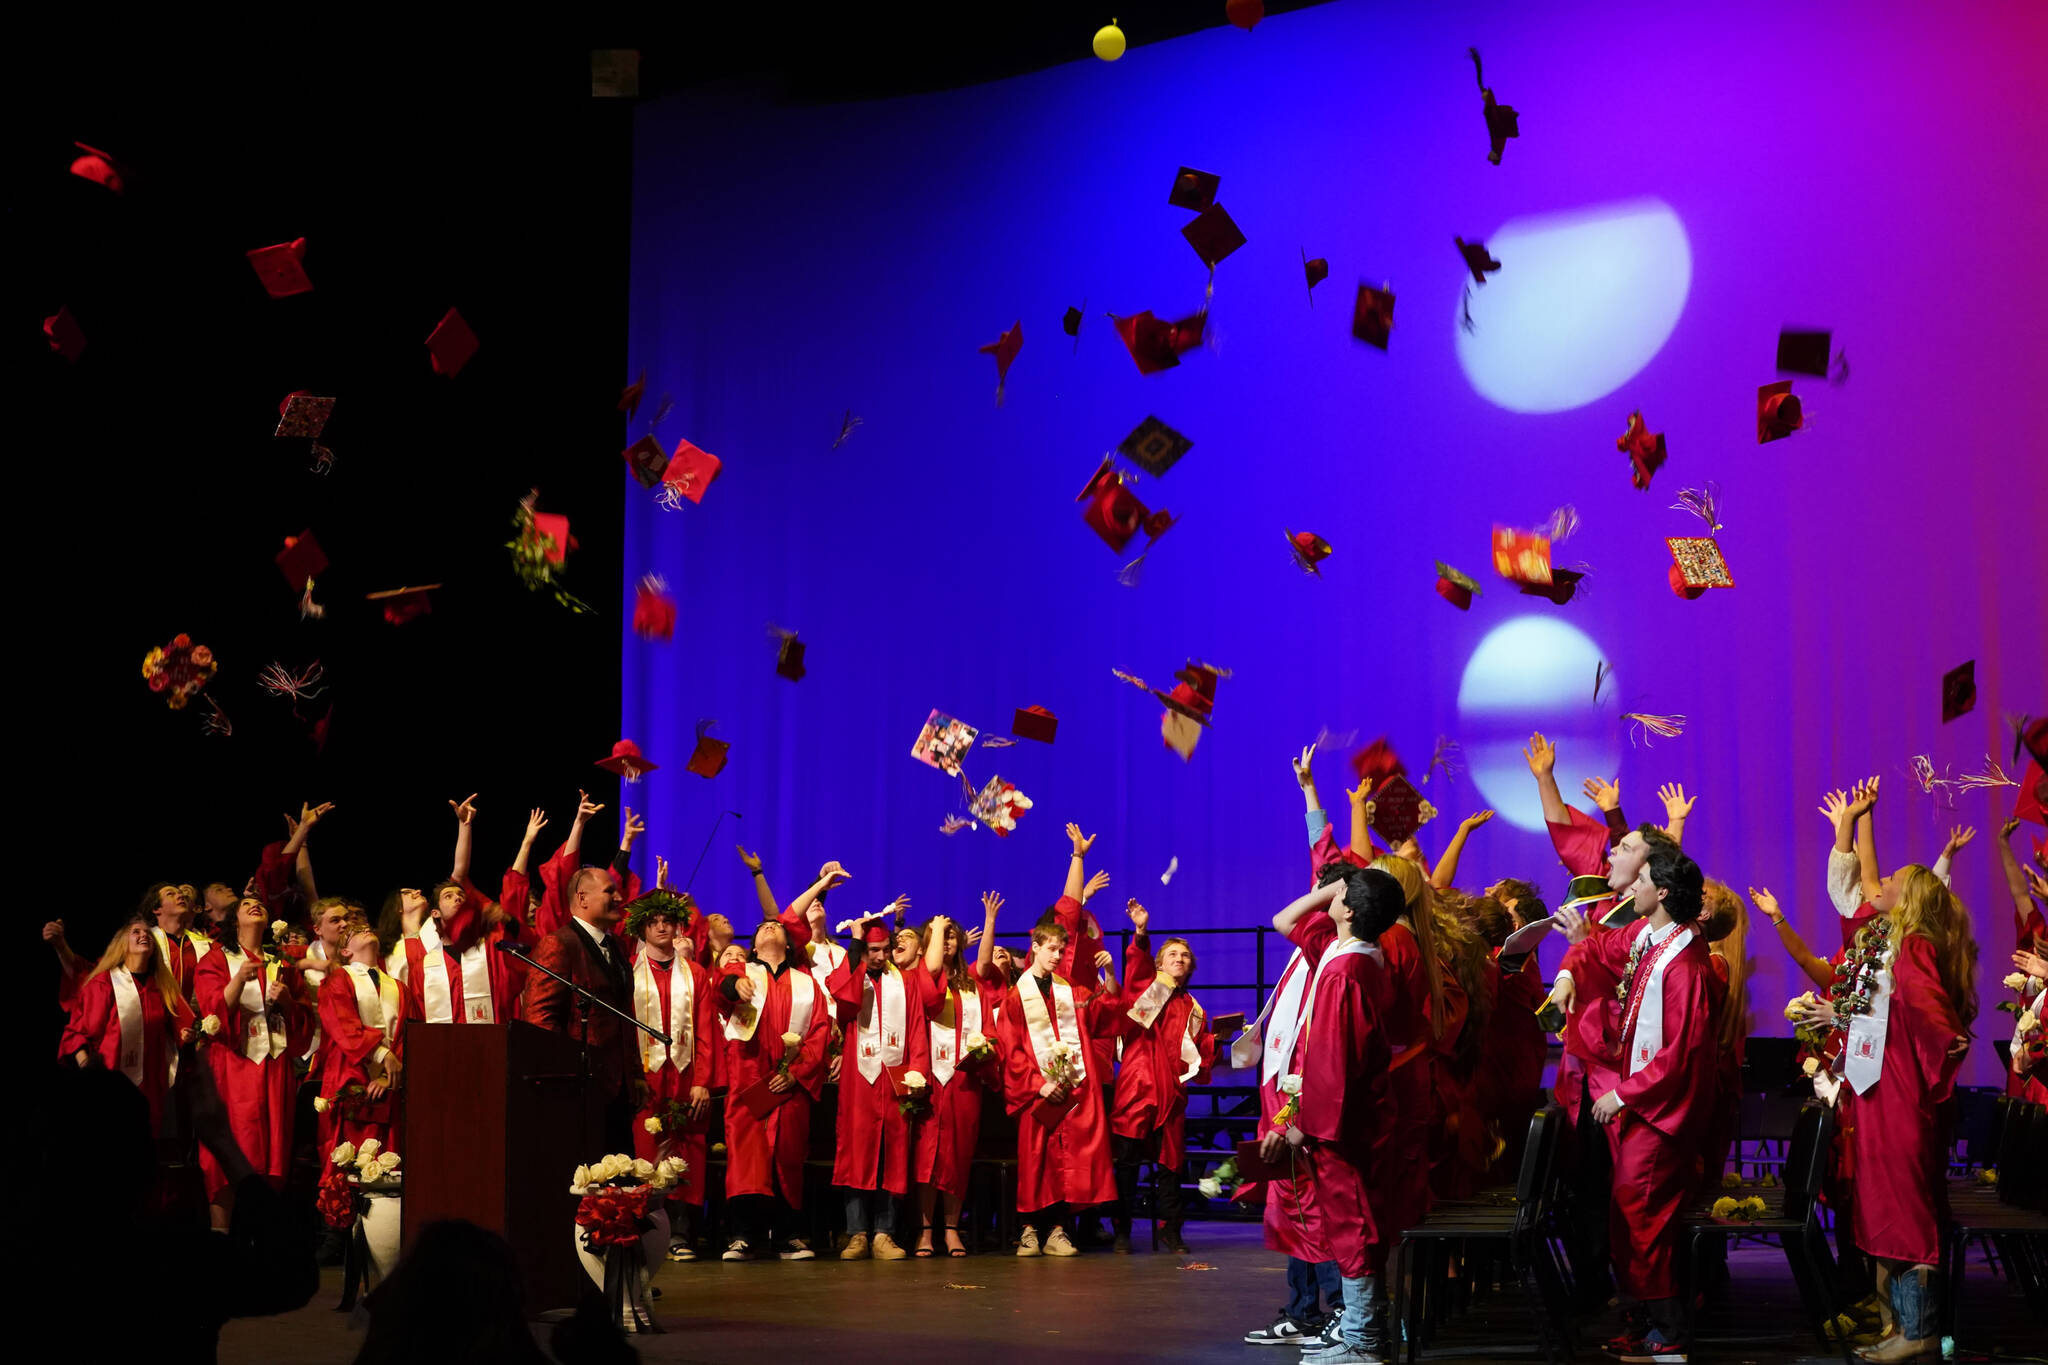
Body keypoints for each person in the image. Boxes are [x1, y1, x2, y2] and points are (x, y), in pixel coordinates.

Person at [1797, 781, 1977, 1363]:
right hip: (1878, 1091)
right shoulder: (1886, 941)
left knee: (1906, 1208)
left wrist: (1936, 1059)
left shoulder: (1915, 947)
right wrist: (1841, 1013)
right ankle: (1901, 1325)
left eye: (1893, 880)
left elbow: (1932, 1020)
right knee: (1883, 1206)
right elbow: (1887, 1003)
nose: (1882, 883)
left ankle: (1920, 1331)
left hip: (1898, 1093)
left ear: (1909, 898)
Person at [1550, 840, 1717, 1365]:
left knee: (1642, 1214)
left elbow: (1679, 1053)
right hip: (1645, 1108)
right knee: (1628, 1214)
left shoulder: (1685, 961)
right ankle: (1644, 1320)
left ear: (1662, 891)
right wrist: (1564, 974)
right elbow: (1596, 949)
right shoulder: (1650, 936)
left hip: (1662, 1112)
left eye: (1641, 880)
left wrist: (1623, 1093)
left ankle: (1669, 1332)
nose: (1630, 887)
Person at [1266, 865, 1405, 1365]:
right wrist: (1342, 889)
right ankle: (1362, 1331)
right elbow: (1285, 920)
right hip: (1350, 1116)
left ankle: (1362, 1339)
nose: (1329, 895)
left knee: (1352, 1226)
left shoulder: (1346, 970)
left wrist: (1302, 1125)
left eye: (1339, 892)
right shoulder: (1353, 955)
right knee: (1354, 1224)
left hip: (1339, 1123)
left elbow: (1333, 1061)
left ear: (1347, 909)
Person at [997, 911, 1121, 1256]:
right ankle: (1027, 1230)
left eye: (1060, 950)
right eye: (1050, 948)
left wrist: (1109, 973)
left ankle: (1056, 1231)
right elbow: (1011, 1048)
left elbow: (1106, 1013)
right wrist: (1038, 1084)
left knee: (1066, 1162)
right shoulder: (1014, 997)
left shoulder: (1073, 992)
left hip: (1070, 1091)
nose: (1056, 956)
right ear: (1034, 947)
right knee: (1036, 1160)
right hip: (1035, 1094)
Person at [716, 918, 832, 1260]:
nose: (769, 927)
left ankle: (788, 1235)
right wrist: (734, 985)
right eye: (763, 927)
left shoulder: (807, 984)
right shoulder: (743, 973)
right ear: (752, 945)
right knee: (746, 1159)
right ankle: (743, 1235)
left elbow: (820, 1033)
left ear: (788, 943)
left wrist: (796, 1073)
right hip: (749, 1082)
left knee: (788, 1157)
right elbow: (718, 992)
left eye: (776, 926)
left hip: (789, 1086)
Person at [1107, 903, 1214, 1254]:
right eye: (1171, 954)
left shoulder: (1195, 1008)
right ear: (1159, 963)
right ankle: (1121, 1231)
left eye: (1184, 955)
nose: (1179, 959)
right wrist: (1141, 932)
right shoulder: (1147, 989)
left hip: (1171, 1094)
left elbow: (1200, 1054)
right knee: (1127, 1166)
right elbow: (1136, 967)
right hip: (1136, 1089)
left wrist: (1222, 1039)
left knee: (1170, 1165)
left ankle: (1172, 1230)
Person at [195, 896, 309, 1227]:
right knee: (228, 1154)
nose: (254, 906)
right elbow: (211, 1011)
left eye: (259, 903)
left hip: (273, 1067)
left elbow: (304, 1024)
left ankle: (264, 1244)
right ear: (234, 921)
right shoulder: (218, 959)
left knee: (272, 1154)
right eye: (245, 905)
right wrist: (237, 980)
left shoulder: (281, 963)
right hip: (233, 1065)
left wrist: (287, 1001)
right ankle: (221, 1236)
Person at [622, 889, 717, 1261]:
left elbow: (706, 1031)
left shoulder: (695, 973)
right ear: (642, 929)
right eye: (654, 922)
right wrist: (631, 1075)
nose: (661, 926)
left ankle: (681, 1232)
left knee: (686, 1147)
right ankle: (643, 1229)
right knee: (646, 1148)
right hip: (646, 1075)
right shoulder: (629, 969)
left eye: (667, 921)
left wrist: (702, 1080)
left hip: (685, 1072)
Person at [825, 899, 922, 1260]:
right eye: (872, 950)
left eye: (883, 950)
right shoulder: (854, 978)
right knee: (856, 1154)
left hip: (895, 1081)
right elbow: (844, 1001)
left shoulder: (905, 983)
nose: (879, 957)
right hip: (859, 1083)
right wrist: (854, 950)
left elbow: (915, 1031)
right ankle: (857, 1235)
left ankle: (885, 1234)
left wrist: (916, 1074)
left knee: (891, 1156)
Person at [518, 865, 638, 1152]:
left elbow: (624, 1015)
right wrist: (565, 1078)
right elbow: (539, 1021)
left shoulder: (618, 946)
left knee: (621, 1184)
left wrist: (636, 1074)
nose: (619, 897)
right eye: (610, 891)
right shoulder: (558, 944)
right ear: (582, 898)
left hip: (618, 1090)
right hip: (580, 1091)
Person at [915, 901, 1004, 1257]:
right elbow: (928, 1002)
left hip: (964, 1081)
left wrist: (986, 1051)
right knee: (927, 1156)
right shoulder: (922, 978)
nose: (948, 940)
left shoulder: (973, 987)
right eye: (942, 935)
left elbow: (989, 1030)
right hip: (929, 1080)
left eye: (953, 935)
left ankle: (951, 1228)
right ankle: (924, 1230)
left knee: (958, 1155)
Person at [57, 915, 195, 1138]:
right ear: (123, 944)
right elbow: (78, 1032)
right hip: (107, 1084)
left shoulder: (162, 987)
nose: (144, 936)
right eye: (136, 932)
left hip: (151, 1085)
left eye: (148, 933)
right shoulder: (104, 983)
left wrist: (184, 1036)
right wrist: (88, 1070)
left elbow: (179, 1027)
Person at [314, 920, 409, 1156]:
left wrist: (390, 1075)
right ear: (345, 951)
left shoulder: (399, 988)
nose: (366, 929)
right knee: (350, 1160)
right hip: (351, 1076)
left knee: (390, 1161)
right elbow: (343, 1025)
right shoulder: (337, 980)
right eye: (355, 932)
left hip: (390, 1087)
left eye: (368, 928)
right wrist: (382, 1054)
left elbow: (409, 1035)